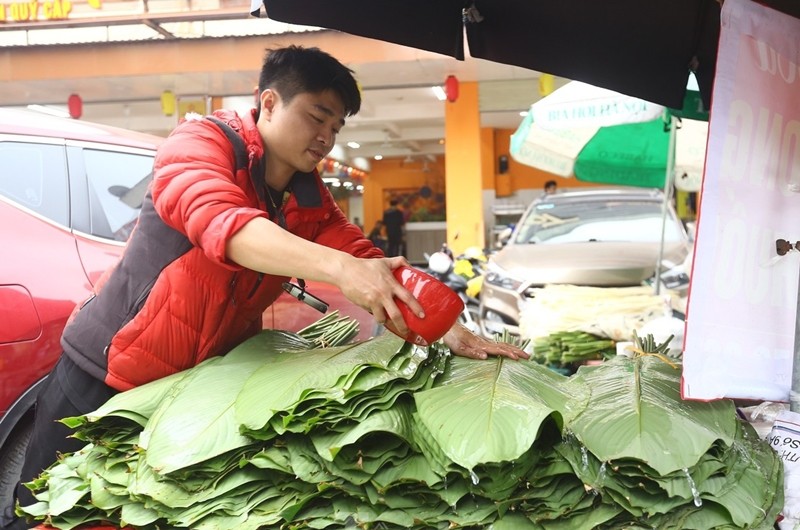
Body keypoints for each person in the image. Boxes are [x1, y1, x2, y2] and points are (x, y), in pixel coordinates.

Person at [2, 45, 527, 530]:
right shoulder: (200, 143)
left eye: (336, 126)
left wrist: (446, 329)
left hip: (194, 392)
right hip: (108, 370)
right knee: (50, 509)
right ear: (269, 103)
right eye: (316, 117)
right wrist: (340, 270)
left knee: (136, 512)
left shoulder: (307, 197)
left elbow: (370, 263)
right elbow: (222, 222)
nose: (326, 136)